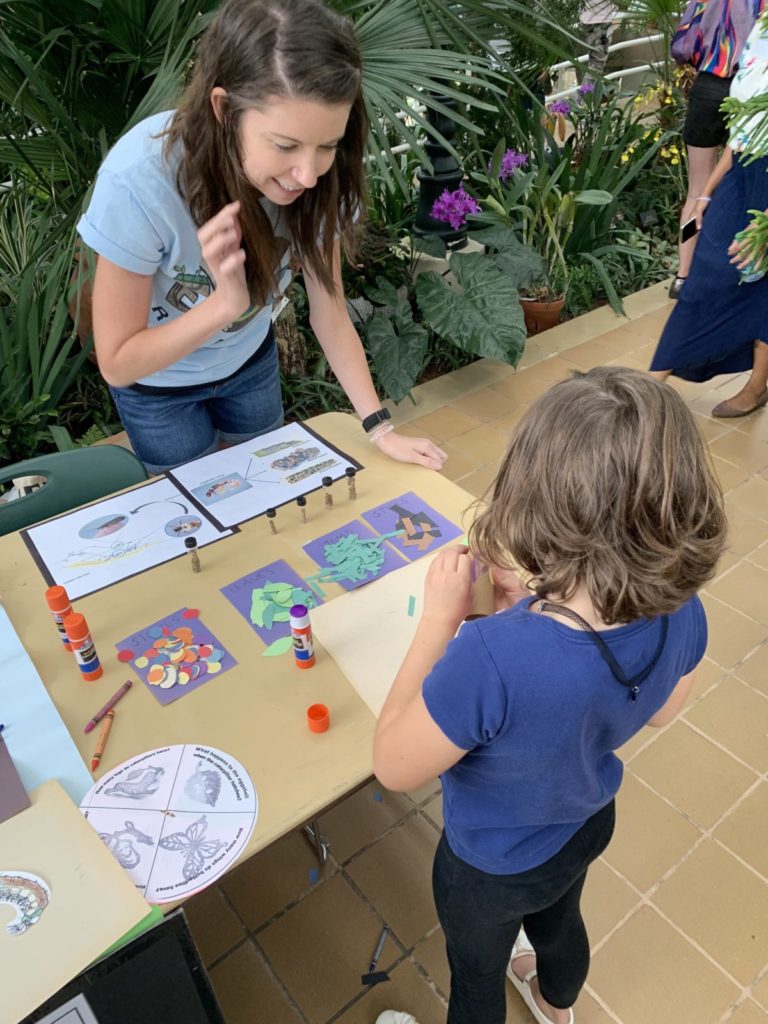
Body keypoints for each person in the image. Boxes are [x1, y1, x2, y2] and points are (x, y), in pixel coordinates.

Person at [372, 367, 726, 1024]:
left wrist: (439, 622)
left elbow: (393, 765)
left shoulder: (489, 657)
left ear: (538, 513)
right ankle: (557, 1001)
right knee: (559, 924)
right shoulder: (684, 609)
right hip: (586, 824)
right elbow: (663, 709)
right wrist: (538, 606)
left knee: (476, 970)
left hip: (490, 863)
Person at [77, 0, 447, 475]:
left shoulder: (322, 183)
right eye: (285, 145)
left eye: (328, 146)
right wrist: (223, 307)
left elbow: (329, 311)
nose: (308, 175)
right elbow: (118, 362)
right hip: (158, 388)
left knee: (268, 498)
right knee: (201, 521)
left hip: (249, 364)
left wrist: (379, 427)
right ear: (225, 110)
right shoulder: (140, 182)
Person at [651, 11, 768, 416]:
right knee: (711, 267)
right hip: (742, 172)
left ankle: (757, 384)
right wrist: (706, 195)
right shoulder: (758, 36)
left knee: (763, 281)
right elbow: (743, 129)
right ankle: (654, 382)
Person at [668, 0, 764, 299]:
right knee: (748, 185)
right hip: (750, 95)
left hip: (706, 90)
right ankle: (741, 274)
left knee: (696, 189)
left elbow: (682, 46)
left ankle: (683, 275)